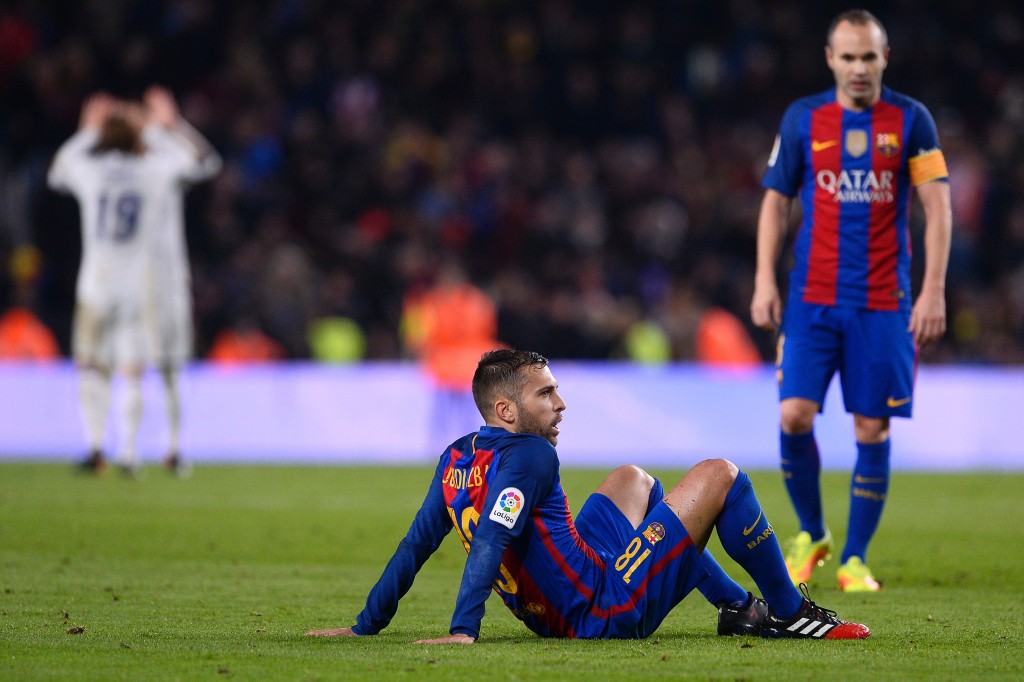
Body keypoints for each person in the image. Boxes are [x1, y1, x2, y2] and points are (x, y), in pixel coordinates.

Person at [308, 349, 870, 643]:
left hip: (565, 596)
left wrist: (365, 625)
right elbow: (493, 537)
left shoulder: (456, 457)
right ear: (507, 410)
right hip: (601, 610)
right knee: (721, 474)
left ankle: (737, 608)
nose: (561, 403)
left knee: (631, 478)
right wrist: (463, 629)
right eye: (546, 393)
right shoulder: (532, 455)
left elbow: (415, 544)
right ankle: (791, 615)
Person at [750, 9, 952, 592]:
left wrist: (934, 289)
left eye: (869, 56)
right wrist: (764, 279)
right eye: (848, 56)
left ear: (884, 57)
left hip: (883, 303)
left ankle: (855, 559)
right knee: (793, 414)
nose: (859, 67)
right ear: (830, 59)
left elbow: (937, 205)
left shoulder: (912, 121)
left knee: (871, 428)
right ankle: (812, 533)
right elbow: (774, 201)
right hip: (811, 299)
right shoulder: (803, 118)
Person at [47, 89, 220, 477]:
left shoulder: (90, 171)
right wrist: (166, 125)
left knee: (92, 367)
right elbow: (201, 161)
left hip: (95, 284)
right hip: (137, 287)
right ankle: (128, 452)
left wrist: (89, 129)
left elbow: (59, 170)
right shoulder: (153, 171)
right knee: (132, 369)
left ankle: (95, 448)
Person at [138, 85, 222, 476]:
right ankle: (128, 446)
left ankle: (169, 447)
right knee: (135, 360)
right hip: (139, 273)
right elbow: (209, 162)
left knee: (169, 363)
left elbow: (208, 164)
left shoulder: (163, 149)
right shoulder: (136, 149)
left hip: (165, 274)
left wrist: (175, 127)